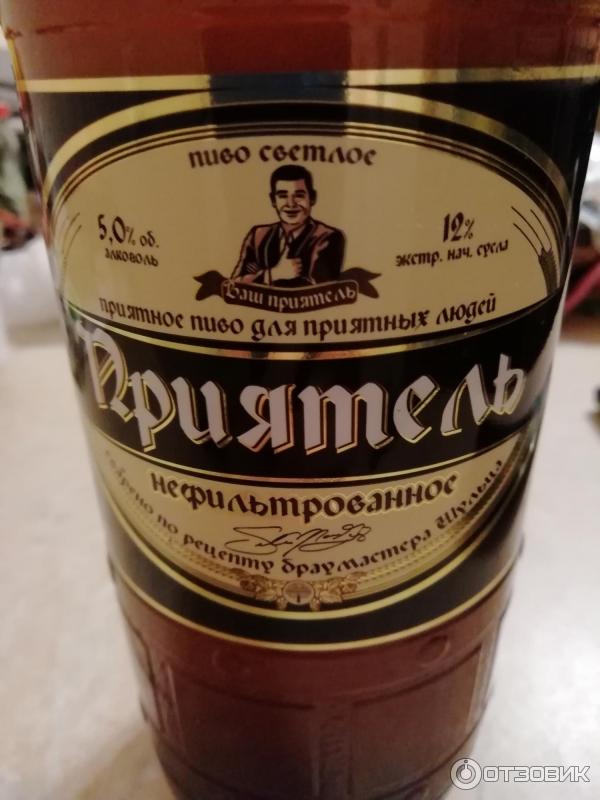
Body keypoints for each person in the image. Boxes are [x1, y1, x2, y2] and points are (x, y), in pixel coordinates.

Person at [234, 165, 345, 287]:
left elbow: (320, 288)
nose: (291, 204)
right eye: (282, 195)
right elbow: (232, 286)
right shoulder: (258, 235)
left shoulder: (328, 237)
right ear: (273, 200)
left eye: (299, 195)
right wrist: (273, 274)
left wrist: (255, 276)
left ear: (312, 198)